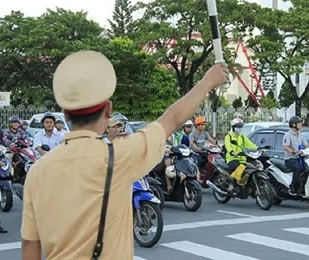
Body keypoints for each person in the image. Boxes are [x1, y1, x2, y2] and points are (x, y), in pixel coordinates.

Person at [20, 50, 228, 259]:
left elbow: (30, 245)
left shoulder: (38, 171)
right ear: (108, 110)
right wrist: (208, 81)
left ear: (64, 113)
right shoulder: (121, 155)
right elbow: (172, 119)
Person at [224, 118, 258, 189]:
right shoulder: (228, 137)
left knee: (250, 167)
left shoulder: (242, 136)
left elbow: (250, 144)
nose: (240, 128)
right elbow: (228, 146)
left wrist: (257, 148)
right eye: (238, 127)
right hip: (232, 158)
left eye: (241, 126)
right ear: (233, 128)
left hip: (242, 158)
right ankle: (232, 183)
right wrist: (232, 152)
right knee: (239, 166)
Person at [283, 116, 309, 196]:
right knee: (298, 168)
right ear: (294, 125)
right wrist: (293, 151)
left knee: (308, 169)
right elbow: (286, 147)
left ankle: (303, 187)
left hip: (300, 157)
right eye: (299, 123)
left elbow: (306, 145)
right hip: (290, 158)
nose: (301, 124)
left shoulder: (301, 135)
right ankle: (292, 187)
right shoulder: (287, 135)